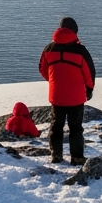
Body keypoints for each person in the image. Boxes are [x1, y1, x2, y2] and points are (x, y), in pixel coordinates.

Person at [38, 16, 96, 166]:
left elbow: (42, 69)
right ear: (74, 31)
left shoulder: (49, 49)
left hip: (56, 95)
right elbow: (89, 73)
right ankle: (77, 157)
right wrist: (89, 90)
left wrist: (54, 82)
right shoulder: (80, 51)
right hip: (76, 97)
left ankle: (56, 155)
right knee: (75, 127)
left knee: (56, 126)